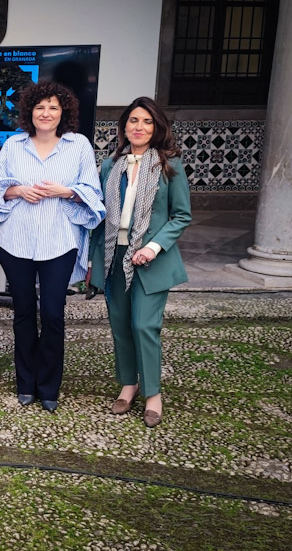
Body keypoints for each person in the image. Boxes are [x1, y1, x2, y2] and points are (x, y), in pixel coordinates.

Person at [0, 81, 104, 412]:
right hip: (17, 242)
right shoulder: (13, 144)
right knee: (23, 313)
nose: (46, 113)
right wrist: (19, 190)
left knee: (53, 314)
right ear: (29, 111)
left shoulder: (78, 146)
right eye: (40, 107)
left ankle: (49, 386)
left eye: (53, 107)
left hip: (59, 242)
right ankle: (26, 383)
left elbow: (93, 192)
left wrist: (64, 191)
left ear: (63, 111)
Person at [89, 96, 191, 428]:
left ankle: (153, 394)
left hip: (151, 260)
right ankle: (128, 385)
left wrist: (154, 247)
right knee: (120, 326)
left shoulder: (169, 165)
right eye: (134, 120)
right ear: (124, 126)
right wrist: (91, 262)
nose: (140, 127)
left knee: (144, 326)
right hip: (113, 256)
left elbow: (180, 216)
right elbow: (100, 217)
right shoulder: (110, 165)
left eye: (147, 121)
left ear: (157, 127)